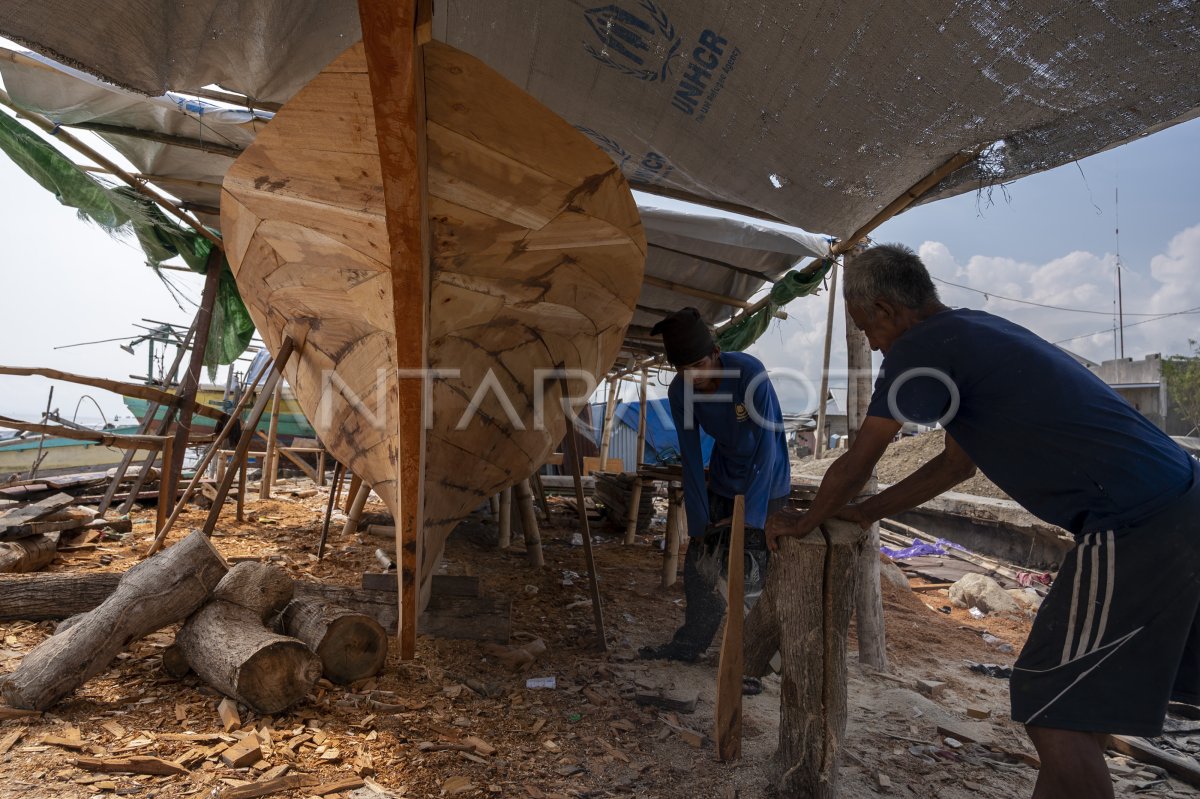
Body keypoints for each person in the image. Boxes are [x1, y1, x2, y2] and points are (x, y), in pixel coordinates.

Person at [767, 244, 1200, 799]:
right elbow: (955, 464)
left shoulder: (919, 345)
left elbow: (859, 458)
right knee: (1076, 708)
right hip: (1179, 497)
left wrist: (807, 520)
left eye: (866, 329)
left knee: (1053, 708)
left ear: (884, 309)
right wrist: (866, 512)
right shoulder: (971, 333)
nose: (873, 345)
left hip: (1138, 520)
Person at [639, 307, 791, 664]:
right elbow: (690, 455)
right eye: (683, 370)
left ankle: (751, 661)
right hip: (724, 477)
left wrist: (751, 520)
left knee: (753, 574)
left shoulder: (749, 374)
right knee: (700, 566)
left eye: (699, 366)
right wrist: (699, 519)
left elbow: (766, 448)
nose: (693, 376)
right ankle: (690, 644)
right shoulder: (681, 392)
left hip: (767, 483)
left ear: (716, 354)